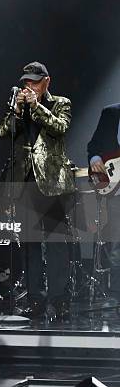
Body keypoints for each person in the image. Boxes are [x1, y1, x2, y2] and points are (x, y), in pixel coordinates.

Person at [0, 61, 75, 319]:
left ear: (46, 82)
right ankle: (34, 300)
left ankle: (59, 300)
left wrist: (35, 106)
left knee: (55, 243)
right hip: (25, 183)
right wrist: (18, 111)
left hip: (52, 183)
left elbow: (59, 127)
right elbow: (2, 133)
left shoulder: (60, 103)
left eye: (34, 81)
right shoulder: (19, 108)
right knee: (29, 244)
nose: (29, 86)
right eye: (26, 82)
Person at [88, 103, 120, 303]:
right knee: (117, 245)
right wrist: (95, 158)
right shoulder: (110, 113)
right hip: (116, 191)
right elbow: (93, 146)